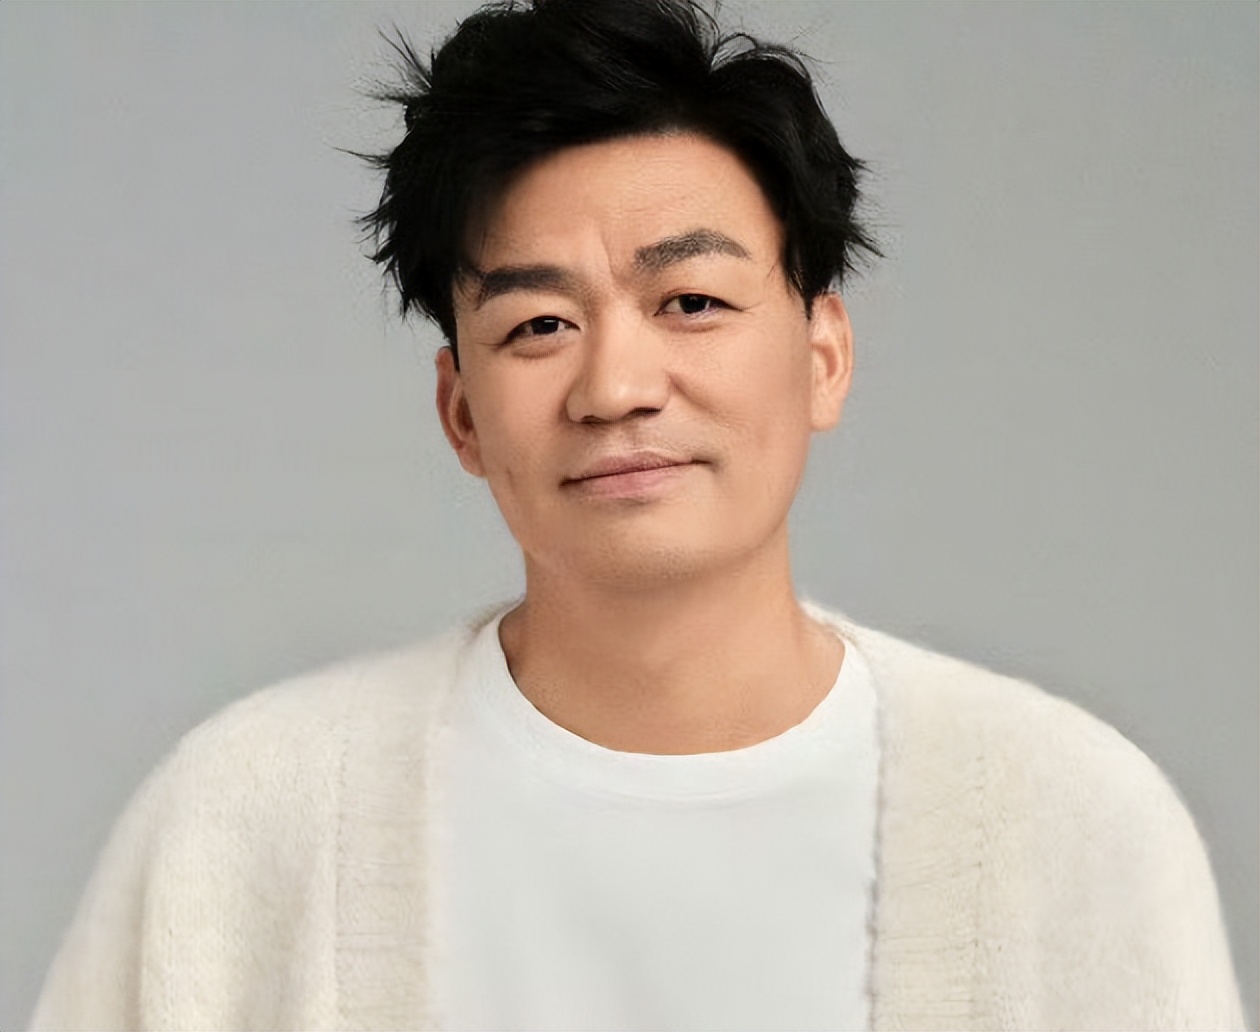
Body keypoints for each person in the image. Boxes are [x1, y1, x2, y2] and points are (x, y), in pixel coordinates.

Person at [30, 1, 1246, 1029]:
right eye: (538, 325)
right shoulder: (252, 820)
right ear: (461, 411)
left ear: (823, 357)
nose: (615, 387)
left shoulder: (1065, 821)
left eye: (692, 302)